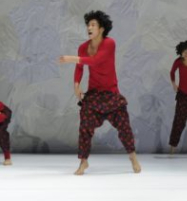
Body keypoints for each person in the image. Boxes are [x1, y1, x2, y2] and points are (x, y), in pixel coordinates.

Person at [57, 10, 141, 175]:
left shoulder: (109, 43)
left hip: (111, 95)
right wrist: (76, 85)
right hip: (94, 95)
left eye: (93, 25)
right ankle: (83, 162)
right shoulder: (83, 48)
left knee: (125, 128)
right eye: (88, 25)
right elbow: (80, 68)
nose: (89, 27)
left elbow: (95, 61)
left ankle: (133, 157)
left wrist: (71, 58)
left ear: (101, 29)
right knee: (85, 127)